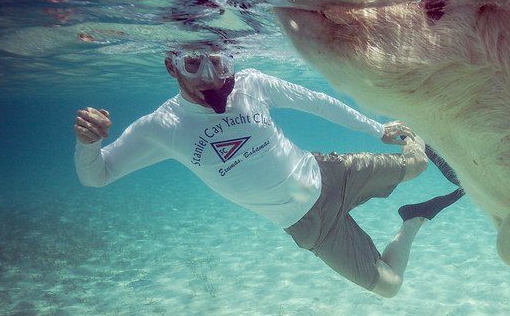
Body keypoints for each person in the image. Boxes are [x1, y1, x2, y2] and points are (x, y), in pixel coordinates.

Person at [73, 46, 431, 297]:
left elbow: (317, 102)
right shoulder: (163, 127)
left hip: (331, 173)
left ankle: (430, 132)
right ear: (172, 65)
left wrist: (377, 129)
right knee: (389, 286)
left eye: (218, 63)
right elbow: (97, 176)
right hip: (311, 225)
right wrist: (88, 143)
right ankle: (411, 222)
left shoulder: (252, 85)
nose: (210, 78)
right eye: (193, 63)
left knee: (418, 165)